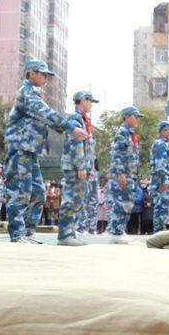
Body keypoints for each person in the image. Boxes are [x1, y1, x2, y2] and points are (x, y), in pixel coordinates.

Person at [3, 60, 85, 244]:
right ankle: (17, 235)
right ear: (31, 73)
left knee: (39, 192)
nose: (46, 78)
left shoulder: (34, 94)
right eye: (43, 74)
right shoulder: (26, 93)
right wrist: (70, 127)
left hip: (30, 151)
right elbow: (46, 114)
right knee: (20, 192)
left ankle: (28, 233)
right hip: (19, 148)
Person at [58, 90, 97, 246]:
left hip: (80, 166)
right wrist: (81, 166)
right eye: (89, 101)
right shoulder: (76, 120)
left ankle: (70, 232)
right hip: (75, 167)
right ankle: (64, 235)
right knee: (70, 200)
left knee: (78, 200)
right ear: (82, 100)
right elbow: (76, 143)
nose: (91, 104)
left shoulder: (83, 120)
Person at [106, 106, 143, 243]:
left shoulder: (130, 133)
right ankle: (116, 232)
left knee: (128, 204)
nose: (137, 119)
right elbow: (117, 155)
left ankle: (121, 231)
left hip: (130, 175)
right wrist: (120, 174)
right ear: (127, 117)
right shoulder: (122, 133)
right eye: (135, 116)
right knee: (121, 203)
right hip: (124, 175)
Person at [149, 121, 169, 234]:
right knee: (161, 208)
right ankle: (158, 231)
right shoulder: (160, 143)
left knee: (163, 208)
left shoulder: (165, 143)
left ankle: (159, 230)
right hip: (162, 179)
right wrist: (162, 181)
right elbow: (160, 164)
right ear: (164, 130)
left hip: (166, 179)